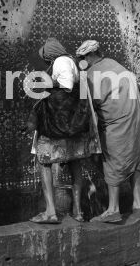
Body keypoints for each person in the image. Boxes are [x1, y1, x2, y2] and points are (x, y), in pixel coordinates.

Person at [27, 38, 96, 224]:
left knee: (43, 160)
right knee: (75, 163)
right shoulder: (72, 61)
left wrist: (45, 84)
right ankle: (78, 211)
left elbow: (67, 85)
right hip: (74, 124)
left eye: (46, 58)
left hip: (57, 124)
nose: (47, 62)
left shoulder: (60, 61)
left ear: (50, 54)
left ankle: (50, 211)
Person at [76, 40, 140, 223]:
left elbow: (90, 108)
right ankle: (137, 205)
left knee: (112, 162)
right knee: (134, 160)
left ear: (90, 56)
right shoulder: (118, 66)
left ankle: (113, 209)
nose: (81, 62)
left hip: (117, 124)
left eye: (82, 58)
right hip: (136, 121)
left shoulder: (92, 74)